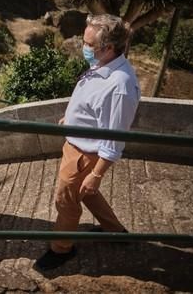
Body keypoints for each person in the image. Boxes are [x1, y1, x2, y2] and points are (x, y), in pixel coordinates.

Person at [34, 14, 141, 271]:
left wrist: (97, 173)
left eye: (88, 43)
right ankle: (115, 232)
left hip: (85, 153)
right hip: (77, 146)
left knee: (66, 201)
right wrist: (71, 118)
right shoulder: (104, 64)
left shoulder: (120, 85)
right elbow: (93, 106)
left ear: (108, 48)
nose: (84, 47)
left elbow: (115, 137)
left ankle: (61, 249)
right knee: (87, 194)